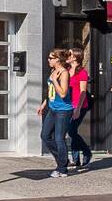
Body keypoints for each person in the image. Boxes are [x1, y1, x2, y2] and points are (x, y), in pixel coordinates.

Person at [38, 48, 73, 178]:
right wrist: (44, 104)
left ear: (58, 59)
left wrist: (54, 80)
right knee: (45, 136)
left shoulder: (64, 73)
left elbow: (63, 93)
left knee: (59, 139)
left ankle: (62, 169)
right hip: (53, 109)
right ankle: (63, 160)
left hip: (63, 110)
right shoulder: (53, 71)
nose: (48, 60)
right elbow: (51, 91)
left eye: (50, 58)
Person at [66, 47, 92, 169]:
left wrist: (77, 109)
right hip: (68, 105)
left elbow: (82, 91)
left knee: (71, 131)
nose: (67, 55)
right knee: (72, 132)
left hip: (80, 106)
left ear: (75, 57)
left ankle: (86, 151)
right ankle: (75, 159)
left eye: (69, 54)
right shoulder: (66, 70)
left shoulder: (82, 72)